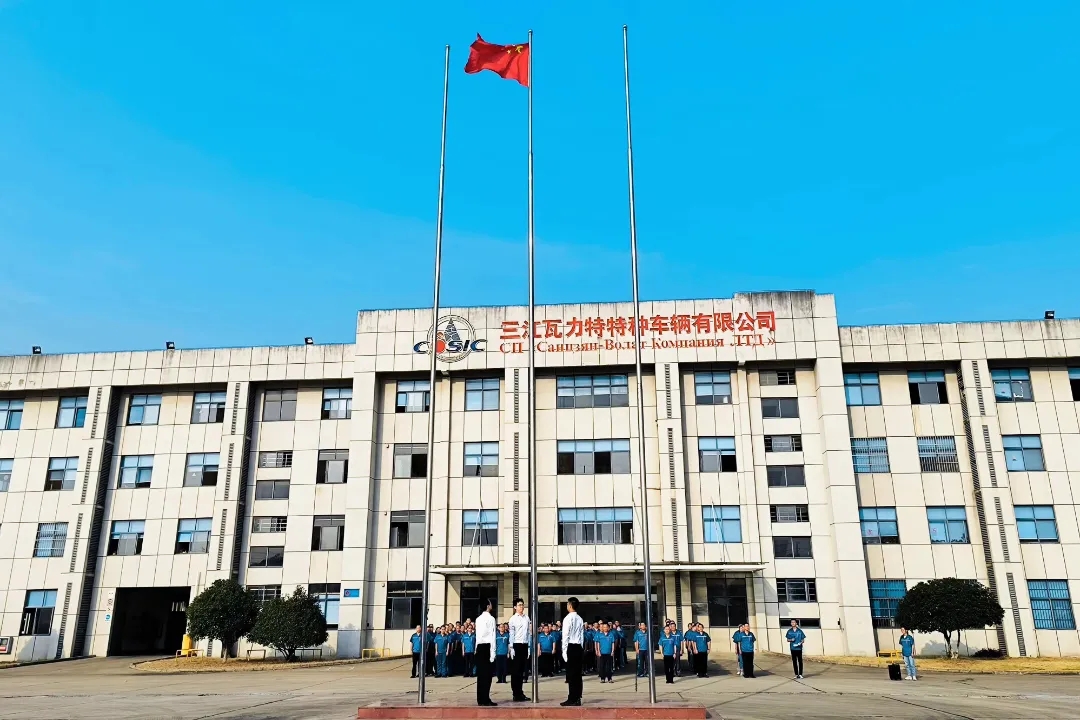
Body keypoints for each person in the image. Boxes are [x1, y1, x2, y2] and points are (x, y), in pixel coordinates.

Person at [561, 596, 584, 707]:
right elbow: (581, 635)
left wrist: (564, 651)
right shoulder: (580, 618)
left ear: (570, 605)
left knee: (571, 674)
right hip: (578, 646)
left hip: (571, 646)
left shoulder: (567, 618)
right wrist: (581, 647)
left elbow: (565, 635)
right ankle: (578, 697)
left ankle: (572, 698)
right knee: (578, 674)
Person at [475, 599, 498, 706]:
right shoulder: (491, 619)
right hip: (487, 647)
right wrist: (493, 652)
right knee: (487, 675)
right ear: (488, 606)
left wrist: (476, 649)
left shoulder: (478, 619)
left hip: (479, 647)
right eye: (490, 603)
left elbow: (477, 636)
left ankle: (480, 699)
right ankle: (486, 699)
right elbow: (493, 636)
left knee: (481, 675)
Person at [508, 598, 532, 702]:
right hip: (516, 645)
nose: (521, 607)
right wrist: (511, 647)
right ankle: (516, 693)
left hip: (524, 645)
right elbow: (511, 634)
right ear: (515, 607)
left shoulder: (527, 618)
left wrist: (529, 647)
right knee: (515, 671)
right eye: (519, 605)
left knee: (522, 670)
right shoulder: (513, 619)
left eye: (522, 605)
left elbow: (529, 633)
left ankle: (520, 693)